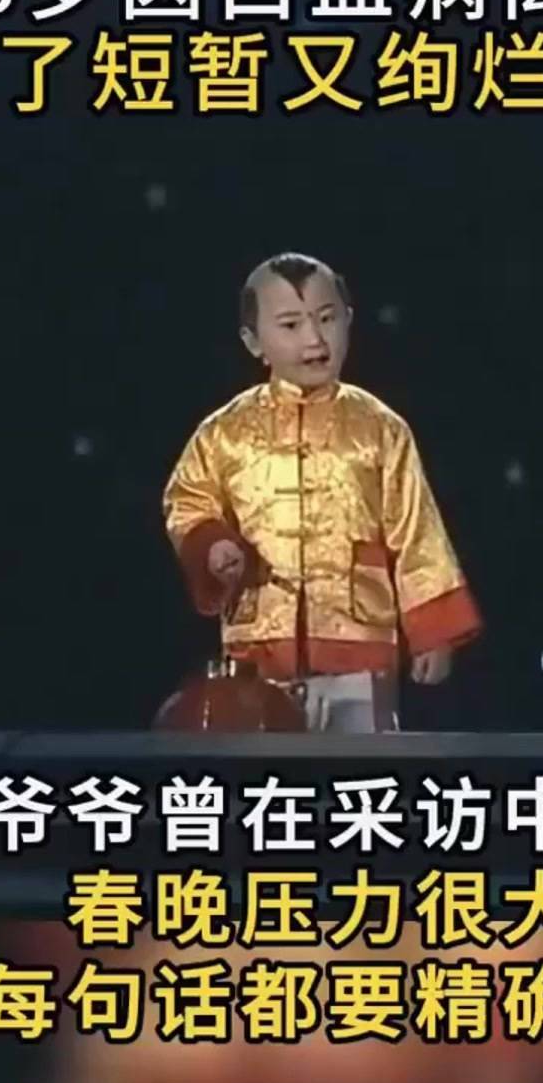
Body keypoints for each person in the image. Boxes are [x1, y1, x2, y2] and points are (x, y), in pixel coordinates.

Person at [162, 252, 481, 733]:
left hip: (359, 649)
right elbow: (187, 500)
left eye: (327, 319)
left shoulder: (380, 428)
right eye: (291, 325)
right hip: (258, 653)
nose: (314, 338)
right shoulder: (224, 433)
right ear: (253, 341)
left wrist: (433, 631)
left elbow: (416, 530)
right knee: (266, 770)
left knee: (360, 770)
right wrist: (212, 546)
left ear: (348, 320)